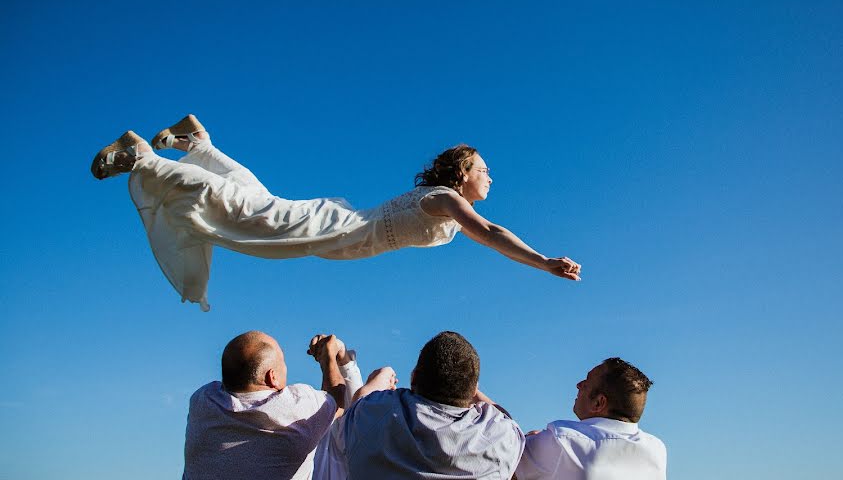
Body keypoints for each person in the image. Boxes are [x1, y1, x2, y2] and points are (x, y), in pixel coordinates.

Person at [91, 115, 581, 310]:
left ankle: (197, 142)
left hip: (339, 231)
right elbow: (491, 232)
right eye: (484, 170)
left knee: (256, 207)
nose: (490, 178)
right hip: (339, 229)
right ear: (461, 173)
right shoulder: (446, 200)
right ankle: (143, 157)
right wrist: (545, 262)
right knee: (243, 214)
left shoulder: (442, 201)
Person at [322, 330, 525, 479]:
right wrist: (467, 385)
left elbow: (360, 401)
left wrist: (382, 374)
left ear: (414, 377)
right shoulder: (499, 439)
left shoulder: (377, 415)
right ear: (473, 391)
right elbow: (505, 417)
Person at [182, 331, 360, 480]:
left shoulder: (201, 401)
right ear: (272, 376)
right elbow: (336, 400)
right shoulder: (293, 409)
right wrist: (328, 356)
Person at [514, 357, 667, 480]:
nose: (578, 385)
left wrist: (527, 443)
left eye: (586, 383)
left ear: (599, 402)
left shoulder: (565, 441)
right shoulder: (657, 450)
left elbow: (502, 462)